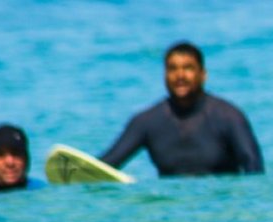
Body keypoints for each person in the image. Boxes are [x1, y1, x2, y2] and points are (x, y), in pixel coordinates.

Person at [100, 41, 263, 177]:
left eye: (188, 68)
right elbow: (106, 166)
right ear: (165, 75)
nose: (180, 76)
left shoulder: (228, 116)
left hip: (218, 207)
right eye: (173, 69)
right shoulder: (147, 122)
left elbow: (255, 170)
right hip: (171, 210)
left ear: (203, 74)